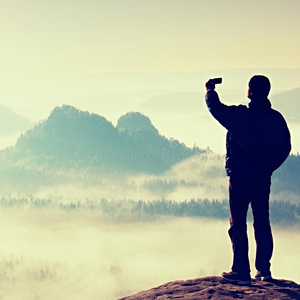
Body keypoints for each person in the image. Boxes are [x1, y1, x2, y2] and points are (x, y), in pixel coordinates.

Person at [205, 75, 291, 285]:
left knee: (238, 223)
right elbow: (285, 147)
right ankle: (264, 269)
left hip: (240, 177)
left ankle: (241, 271)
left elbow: (217, 110)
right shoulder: (276, 119)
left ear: (250, 92)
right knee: (262, 221)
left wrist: (209, 91)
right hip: (262, 178)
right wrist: (269, 167)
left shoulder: (241, 116)